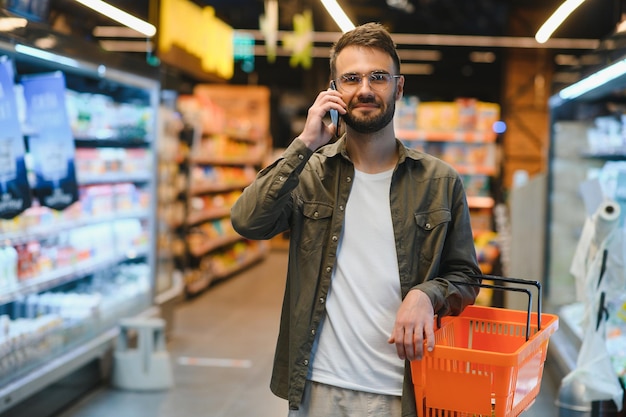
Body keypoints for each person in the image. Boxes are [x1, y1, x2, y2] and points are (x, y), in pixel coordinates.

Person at [231, 22, 481, 417]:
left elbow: (466, 276)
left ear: (398, 88)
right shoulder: (311, 172)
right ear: (334, 91)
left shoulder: (439, 181)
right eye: (351, 78)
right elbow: (248, 221)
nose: (365, 89)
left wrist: (426, 294)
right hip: (319, 387)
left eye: (378, 77)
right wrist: (305, 143)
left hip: (404, 391)